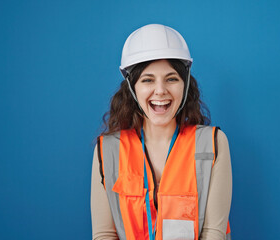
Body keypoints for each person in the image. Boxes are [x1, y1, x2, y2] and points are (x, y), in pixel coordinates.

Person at [91, 24, 232, 240]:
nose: (160, 91)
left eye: (171, 78)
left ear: (184, 84)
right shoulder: (108, 149)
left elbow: (214, 233)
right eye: (147, 80)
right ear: (132, 88)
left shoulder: (212, 143)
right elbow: (104, 234)